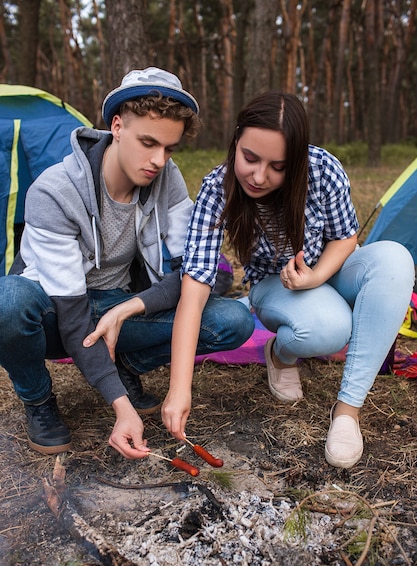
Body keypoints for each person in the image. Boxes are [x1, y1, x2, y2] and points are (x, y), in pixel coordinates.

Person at [0, 67, 254, 459]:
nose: (158, 160)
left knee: (232, 320)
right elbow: (71, 314)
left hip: (120, 306)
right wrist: (121, 407)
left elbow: (198, 273)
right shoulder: (54, 191)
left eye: (169, 148)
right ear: (117, 126)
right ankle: (37, 399)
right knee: (8, 302)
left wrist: (130, 307)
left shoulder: (166, 178)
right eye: (148, 142)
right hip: (54, 314)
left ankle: (126, 366)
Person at [162, 90, 415, 469]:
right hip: (273, 287)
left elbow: (346, 238)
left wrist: (316, 277)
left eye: (277, 166)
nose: (259, 176)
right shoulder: (217, 189)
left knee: (395, 258)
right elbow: (193, 293)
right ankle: (280, 354)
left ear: (296, 160)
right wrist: (178, 390)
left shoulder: (323, 170)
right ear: (235, 142)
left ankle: (347, 411)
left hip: (328, 270)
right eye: (249, 158)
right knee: (329, 330)